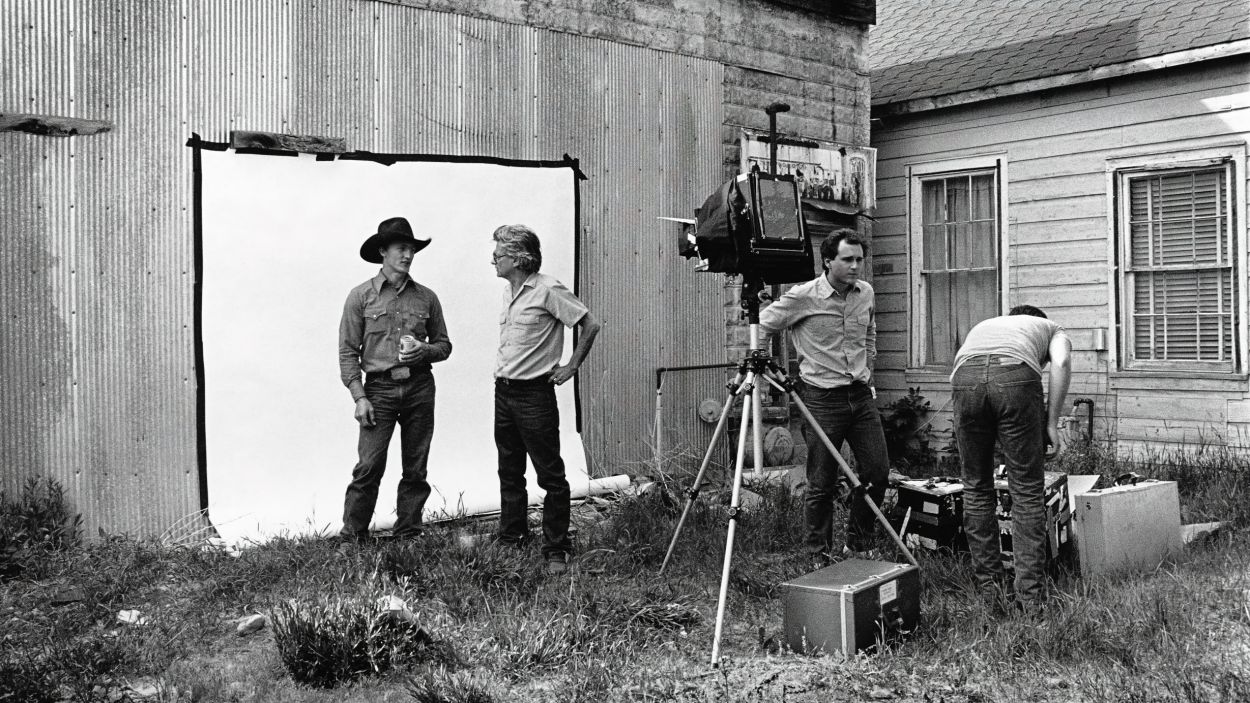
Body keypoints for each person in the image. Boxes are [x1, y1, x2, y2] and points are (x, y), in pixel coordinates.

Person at [759, 228, 888, 563]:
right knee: (822, 481)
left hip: (860, 395)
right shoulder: (803, 296)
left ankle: (858, 545)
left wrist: (868, 367)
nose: (855, 266)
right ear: (828, 261)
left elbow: (870, 333)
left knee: (877, 473)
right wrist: (765, 369)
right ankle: (818, 554)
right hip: (821, 398)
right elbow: (763, 324)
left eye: (859, 259)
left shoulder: (865, 293)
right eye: (847, 259)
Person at [491, 224, 601, 575]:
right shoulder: (509, 292)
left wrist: (571, 366)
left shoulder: (548, 289)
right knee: (509, 470)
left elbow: (590, 324)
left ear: (519, 258)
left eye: (499, 254)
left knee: (550, 475)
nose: (493, 259)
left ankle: (556, 548)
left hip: (534, 396)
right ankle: (512, 537)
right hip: (504, 392)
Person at [338, 217, 452, 547]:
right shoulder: (360, 297)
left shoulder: (427, 298)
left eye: (412, 249)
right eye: (401, 248)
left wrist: (424, 351)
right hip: (379, 390)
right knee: (369, 466)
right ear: (383, 252)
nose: (408, 255)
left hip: (420, 387)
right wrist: (359, 397)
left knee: (416, 467)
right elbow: (347, 351)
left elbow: (444, 346)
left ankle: (408, 536)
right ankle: (352, 539)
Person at [950, 305, 1071, 614]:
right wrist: (1051, 423)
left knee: (976, 486)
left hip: (965, 377)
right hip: (1015, 377)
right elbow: (1061, 361)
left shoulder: (988, 324)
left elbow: (970, 363)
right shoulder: (1051, 329)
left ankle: (991, 593)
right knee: (1026, 491)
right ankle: (1030, 600)